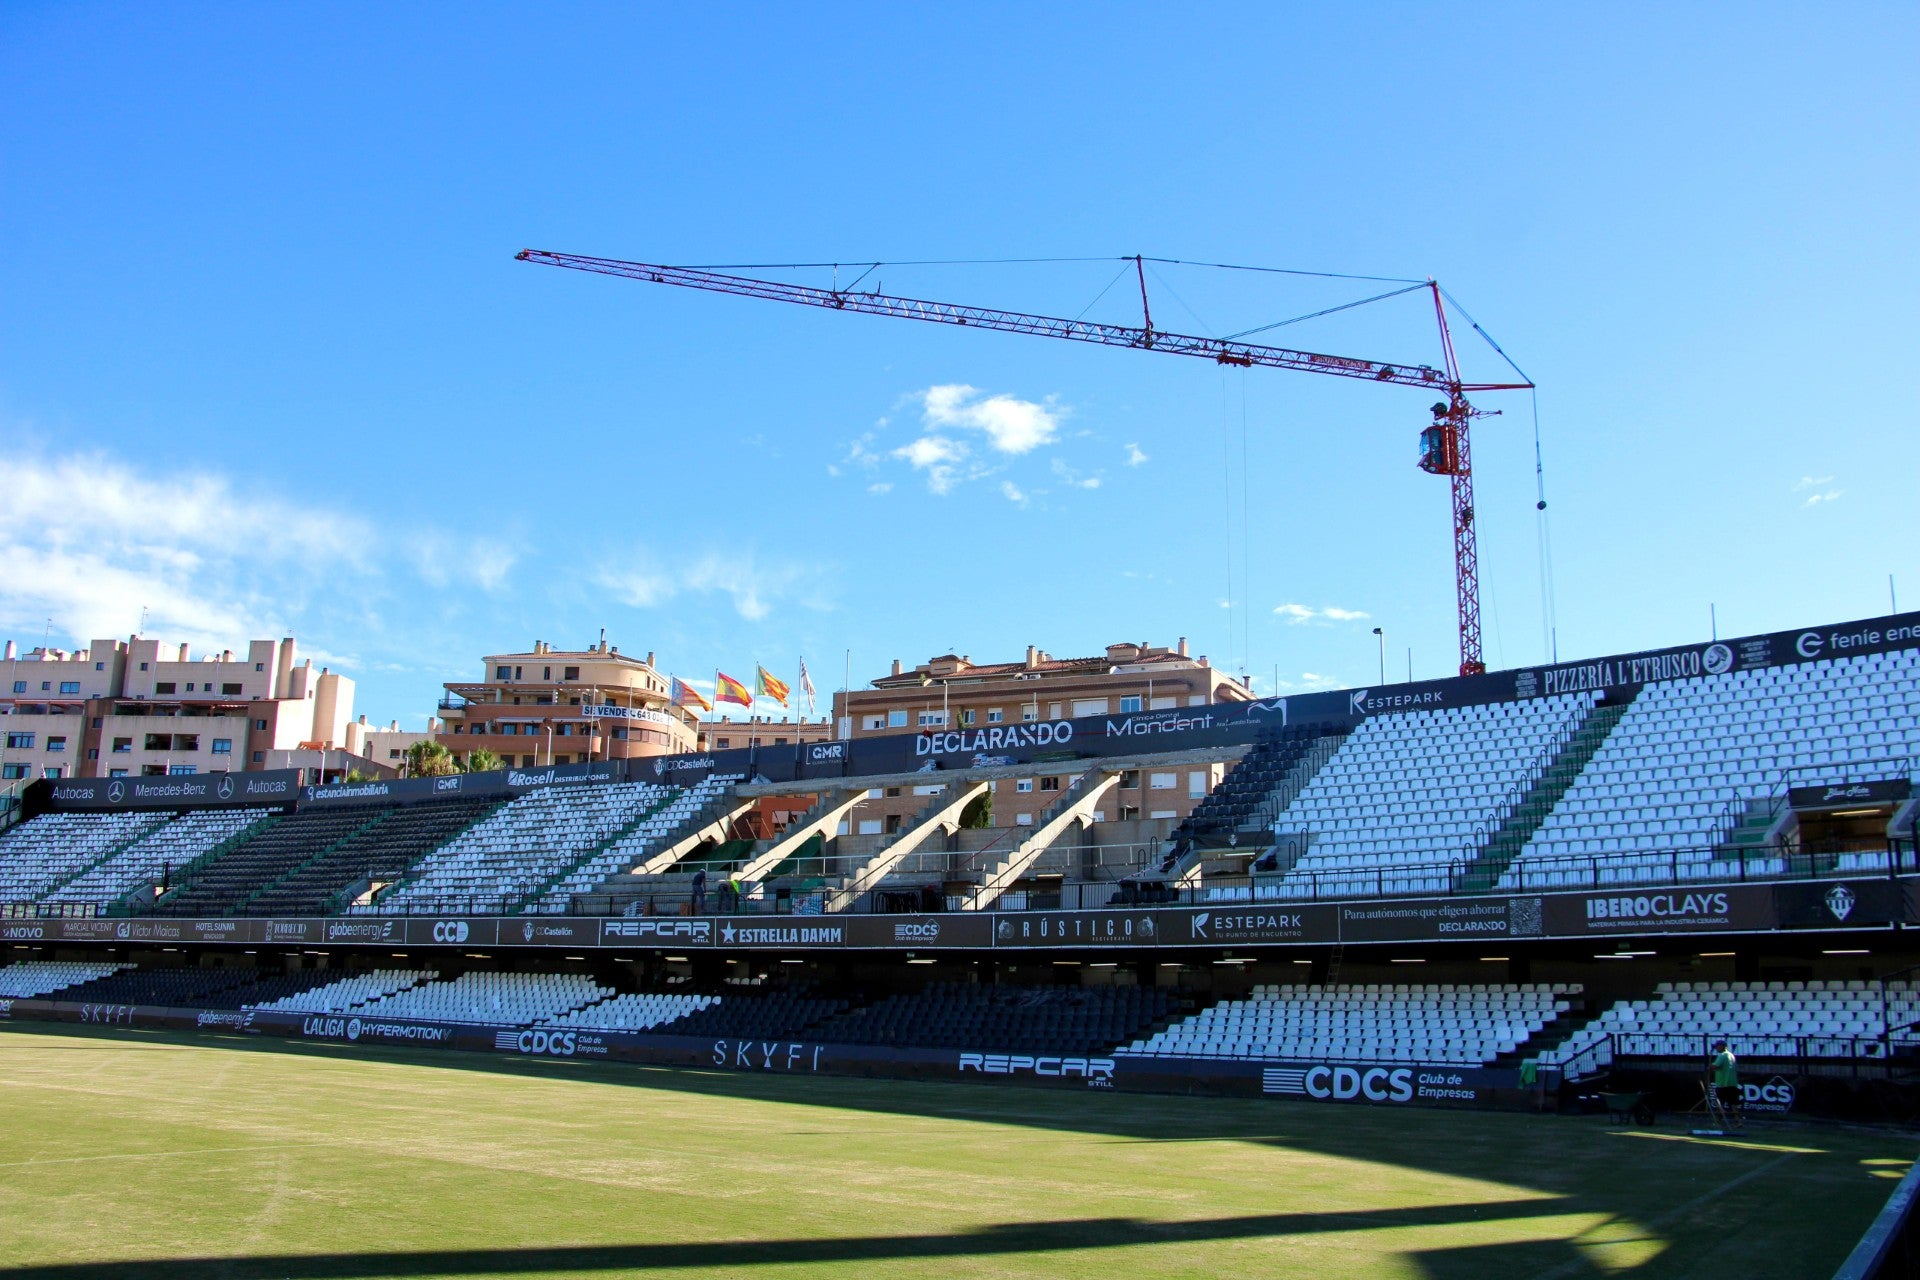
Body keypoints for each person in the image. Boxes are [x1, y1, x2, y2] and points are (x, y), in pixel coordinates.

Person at [1710, 1040, 1743, 1129]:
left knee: (1720, 1103)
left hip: (1723, 1084)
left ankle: (1718, 1121)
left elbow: (1715, 1066)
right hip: (1732, 1083)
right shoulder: (1731, 1055)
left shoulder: (1722, 1055)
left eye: (1717, 1046)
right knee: (1733, 1104)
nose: (1716, 1048)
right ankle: (1738, 1121)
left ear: (1722, 1046)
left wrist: (1710, 1066)